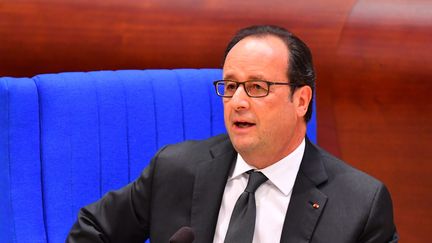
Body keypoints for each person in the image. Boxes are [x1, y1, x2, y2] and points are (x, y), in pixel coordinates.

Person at [67, 25, 398, 243]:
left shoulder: (359, 206)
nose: (237, 101)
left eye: (256, 87)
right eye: (230, 86)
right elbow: (91, 231)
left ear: (301, 100)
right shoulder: (174, 169)